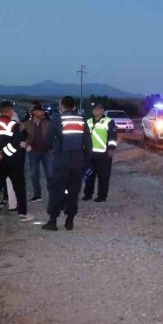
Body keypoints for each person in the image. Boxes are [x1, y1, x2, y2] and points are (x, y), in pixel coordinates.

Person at [43, 96, 91, 231]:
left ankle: (52, 221)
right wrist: (86, 162)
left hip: (61, 160)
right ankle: (69, 221)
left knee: (56, 190)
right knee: (74, 191)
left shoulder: (57, 119)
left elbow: (47, 141)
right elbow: (88, 143)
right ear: (74, 107)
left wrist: (53, 148)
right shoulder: (82, 120)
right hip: (78, 161)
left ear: (62, 106)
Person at [0, 100, 30, 220]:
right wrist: (3, 154)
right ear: (10, 111)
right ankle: (22, 212)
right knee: (19, 187)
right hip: (13, 162)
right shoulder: (13, 125)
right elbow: (15, 144)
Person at [83, 103, 118, 202]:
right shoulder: (88, 121)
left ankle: (102, 196)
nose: (96, 111)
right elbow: (84, 136)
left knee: (103, 176)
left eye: (99, 109)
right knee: (89, 175)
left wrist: (111, 149)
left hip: (104, 154)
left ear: (103, 111)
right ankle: (88, 194)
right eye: (95, 109)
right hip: (89, 154)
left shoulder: (109, 121)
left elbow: (113, 136)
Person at [22, 101, 52, 202]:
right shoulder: (27, 124)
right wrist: (26, 145)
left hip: (46, 151)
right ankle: (37, 195)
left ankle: (52, 194)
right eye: (40, 111)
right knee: (34, 173)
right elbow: (20, 135)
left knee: (49, 174)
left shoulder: (47, 123)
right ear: (34, 112)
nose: (42, 113)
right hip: (33, 152)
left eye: (43, 111)